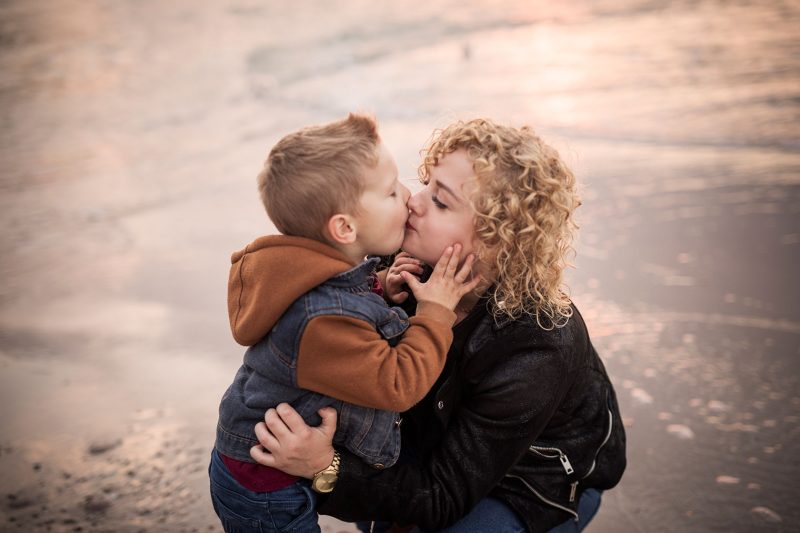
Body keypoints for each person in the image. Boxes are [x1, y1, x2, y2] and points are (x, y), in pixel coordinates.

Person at [249, 118, 627, 532]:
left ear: (498, 239)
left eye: (441, 202)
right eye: (426, 183)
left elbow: (444, 495)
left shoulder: (537, 343)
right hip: (433, 445)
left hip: (531, 479)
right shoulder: (401, 266)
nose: (413, 201)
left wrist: (327, 467)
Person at [210, 113, 481, 533]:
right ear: (344, 227)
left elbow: (345, 299)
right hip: (266, 482)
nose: (409, 197)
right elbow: (398, 384)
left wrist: (380, 289)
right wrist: (436, 312)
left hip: (269, 462)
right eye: (391, 191)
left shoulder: (311, 271)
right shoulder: (323, 318)